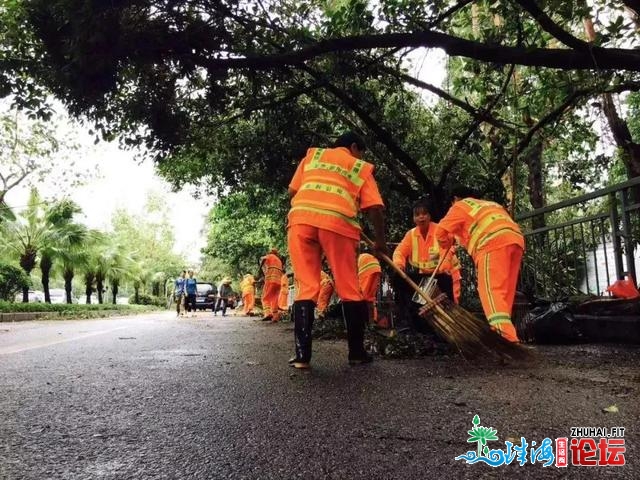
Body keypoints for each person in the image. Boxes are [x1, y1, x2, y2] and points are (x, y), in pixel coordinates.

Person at [287, 131, 387, 369]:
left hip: (300, 221)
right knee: (349, 287)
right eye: (360, 151)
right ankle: (356, 353)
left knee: (307, 287)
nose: (361, 156)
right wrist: (380, 241)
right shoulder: (359, 166)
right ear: (354, 147)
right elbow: (374, 208)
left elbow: (293, 191)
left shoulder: (313, 155)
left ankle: (302, 357)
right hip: (338, 225)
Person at [435, 185, 524, 343]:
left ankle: (507, 340)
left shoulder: (460, 206)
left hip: (491, 243)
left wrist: (445, 242)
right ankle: (503, 332)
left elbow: (440, 231)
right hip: (515, 240)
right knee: (504, 295)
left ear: (455, 199)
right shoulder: (489, 204)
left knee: (491, 291)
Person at [392, 197, 457, 333]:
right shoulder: (411, 235)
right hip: (426, 276)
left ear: (430, 216)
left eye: (424, 213)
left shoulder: (439, 230)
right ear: (413, 218)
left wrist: (444, 267)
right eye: (417, 214)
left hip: (447, 273)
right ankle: (417, 328)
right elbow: (400, 251)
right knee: (423, 305)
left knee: (449, 306)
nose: (421, 217)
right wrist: (399, 265)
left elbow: (447, 250)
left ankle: (449, 332)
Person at [260, 248, 283, 322]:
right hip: (278, 282)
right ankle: (275, 317)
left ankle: (268, 313)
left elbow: (262, 258)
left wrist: (261, 266)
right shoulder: (279, 261)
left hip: (270, 280)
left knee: (265, 297)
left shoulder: (270, 256)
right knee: (274, 299)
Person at [358, 252, 382, 324]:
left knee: (361, 297)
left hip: (365, 269)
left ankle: (365, 322)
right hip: (375, 267)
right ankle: (372, 322)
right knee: (370, 298)